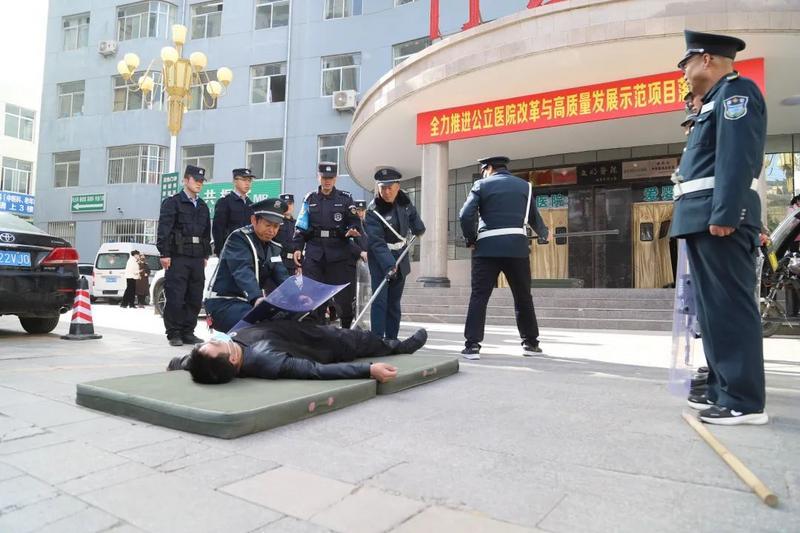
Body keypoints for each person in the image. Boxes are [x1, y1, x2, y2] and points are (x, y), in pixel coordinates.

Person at [673, 30, 768, 425]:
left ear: (707, 59)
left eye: (686, 63)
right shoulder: (712, 101)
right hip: (703, 219)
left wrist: (726, 214)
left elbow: (737, 157)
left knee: (730, 308)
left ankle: (743, 401)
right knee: (713, 312)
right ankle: (722, 388)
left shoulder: (736, 93)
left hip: (720, 219)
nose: (683, 71)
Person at [458, 156, 549, 360]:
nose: (483, 174)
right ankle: (530, 343)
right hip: (517, 249)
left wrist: (470, 239)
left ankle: (472, 346)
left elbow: (465, 215)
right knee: (523, 296)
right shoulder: (525, 186)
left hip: (486, 250)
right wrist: (544, 233)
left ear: (489, 168)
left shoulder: (481, 185)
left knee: (479, 297)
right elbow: (533, 216)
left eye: (483, 170)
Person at [168, 321, 428, 384]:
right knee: (361, 339)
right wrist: (369, 370)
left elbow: (195, 360)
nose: (213, 339)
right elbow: (317, 371)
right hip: (323, 343)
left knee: (359, 336)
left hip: (290, 325)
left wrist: (179, 363)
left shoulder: (206, 361)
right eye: (215, 344)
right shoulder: (269, 362)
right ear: (234, 359)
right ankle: (401, 347)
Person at [292, 163, 362, 328]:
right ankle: (318, 330)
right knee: (314, 297)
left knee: (343, 299)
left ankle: (345, 330)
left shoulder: (345, 198)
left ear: (335, 178)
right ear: (318, 177)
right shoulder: (310, 199)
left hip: (338, 254)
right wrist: (297, 247)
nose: (327, 181)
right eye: (324, 178)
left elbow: (354, 221)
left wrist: (353, 229)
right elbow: (301, 225)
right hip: (315, 255)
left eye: (330, 178)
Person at [205, 199, 290, 333]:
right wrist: (256, 297)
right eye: (268, 225)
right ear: (254, 220)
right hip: (224, 303)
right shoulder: (238, 239)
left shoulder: (274, 248)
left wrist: (298, 296)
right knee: (260, 324)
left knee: (288, 320)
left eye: (276, 226)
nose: (272, 231)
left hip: (248, 303)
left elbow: (282, 276)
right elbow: (242, 271)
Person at [364, 168, 425, 339]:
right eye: (382, 188)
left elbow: (413, 217)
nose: (386, 192)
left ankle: (392, 338)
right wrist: (389, 264)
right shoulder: (373, 211)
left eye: (390, 187)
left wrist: (419, 227)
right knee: (380, 300)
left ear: (397, 187)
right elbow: (377, 242)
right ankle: (377, 339)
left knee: (394, 302)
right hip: (380, 260)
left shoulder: (404, 202)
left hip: (401, 255)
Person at [157, 165, 212, 346]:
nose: (199, 184)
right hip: (178, 256)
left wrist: (206, 255)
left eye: (202, 181)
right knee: (176, 296)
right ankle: (174, 333)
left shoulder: (202, 206)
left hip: (197, 257)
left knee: (194, 297)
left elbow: (206, 233)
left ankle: (188, 332)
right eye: (196, 180)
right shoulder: (173, 203)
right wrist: (164, 253)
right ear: (186, 180)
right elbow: (164, 230)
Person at [212, 168, 255, 256]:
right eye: (244, 180)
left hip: (248, 250)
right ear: (235, 181)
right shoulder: (225, 202)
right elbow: (218, 230)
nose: (247, 183)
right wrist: (220, 252)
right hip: (230, 250)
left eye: (249, 180)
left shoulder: (251, 205)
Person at [275, 193, 297, 275]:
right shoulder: (275, 223)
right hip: (278, 263)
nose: (288, 206)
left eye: (290, 204)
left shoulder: (297, 224)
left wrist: (299, 265)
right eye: (285, 204)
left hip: (293, 265)